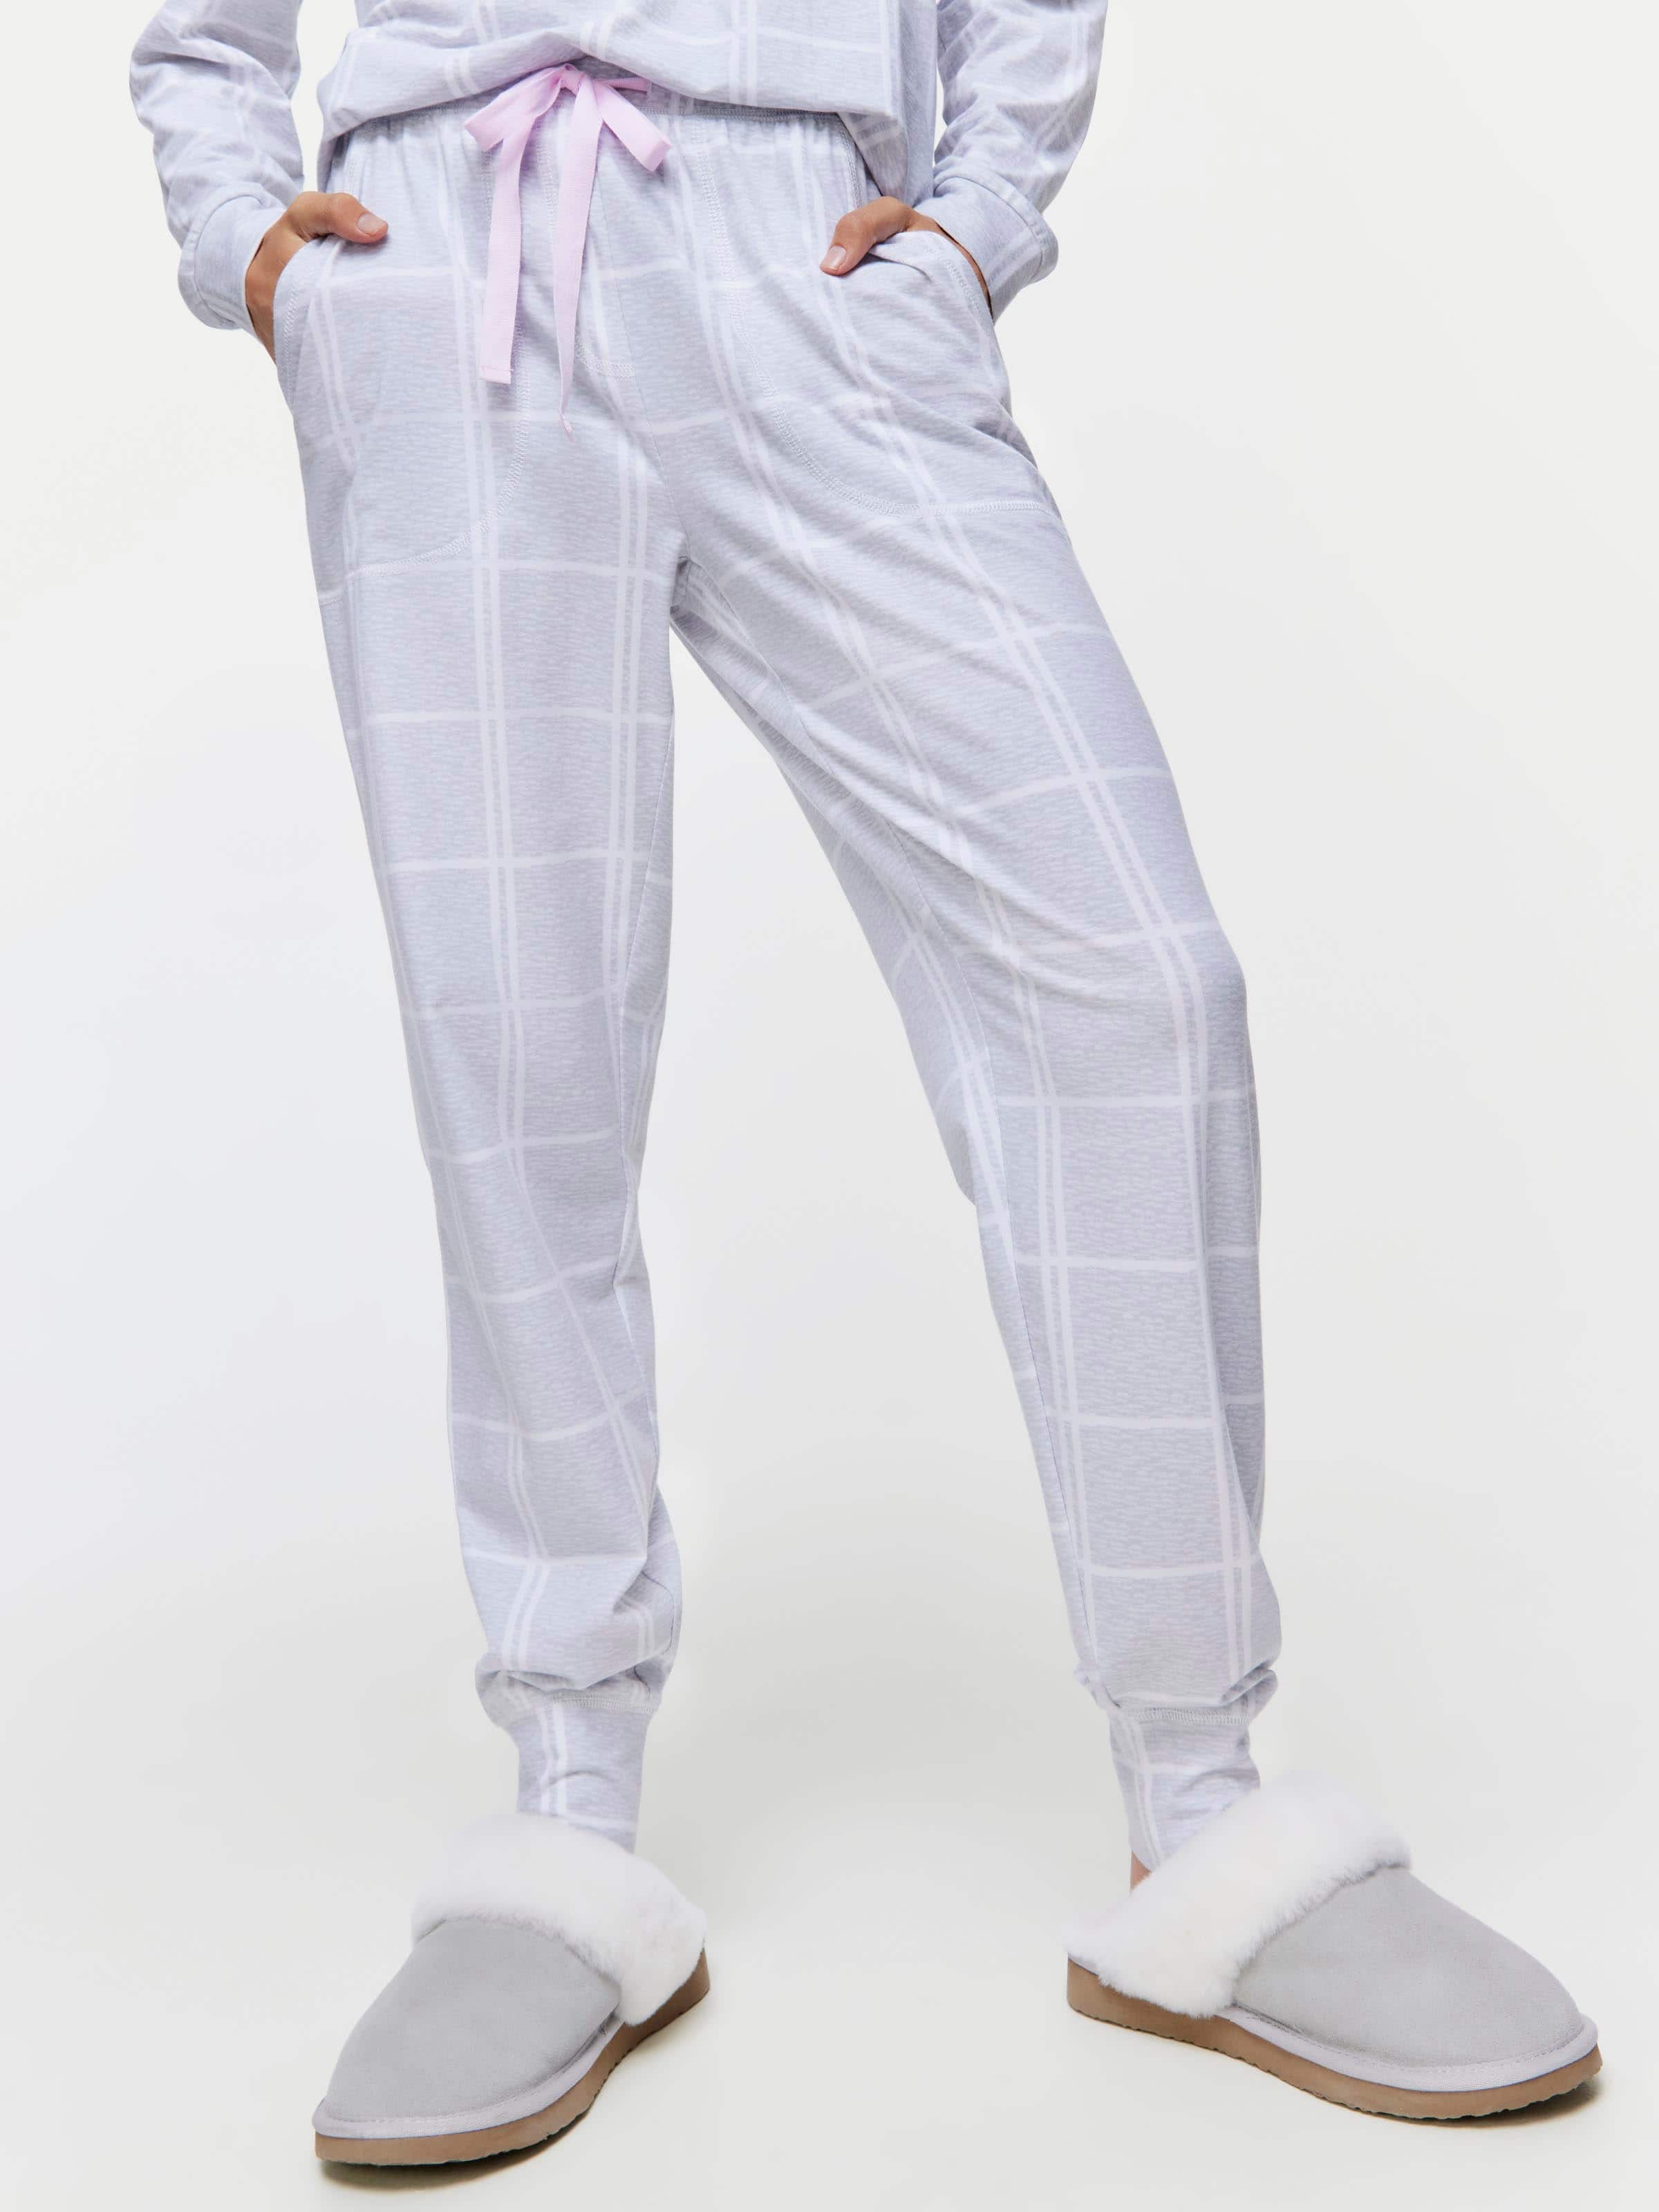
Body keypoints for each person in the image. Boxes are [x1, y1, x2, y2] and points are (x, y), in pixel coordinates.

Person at [131, 1, 1600, 2163]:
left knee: (1134, 980)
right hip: (441, 271)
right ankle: (564, 1811)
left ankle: (1203, 1810)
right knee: (518, 1050)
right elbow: (200, 36)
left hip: (808, 250)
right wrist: (255, 244)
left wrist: (974, 225)